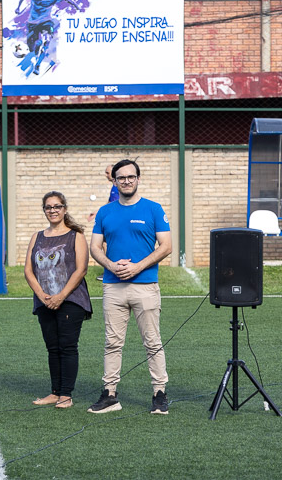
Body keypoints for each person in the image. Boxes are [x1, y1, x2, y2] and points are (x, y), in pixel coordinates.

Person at [88, 159, 172, 415]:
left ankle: (159, 393)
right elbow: (94, 247)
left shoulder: (153, 209)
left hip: (145, 285)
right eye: (121, 177)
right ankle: (110, 394)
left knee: (152, 342)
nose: (126, 181)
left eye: (130, 177)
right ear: (114, 181)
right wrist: (112, 266)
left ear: (138, 178)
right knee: (112, 342)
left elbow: (166, 246)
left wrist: (137, 267)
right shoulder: (105, 212)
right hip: (113, 287)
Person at [24, 191, 92, 409]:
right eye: (48, 207)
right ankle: (55, 392)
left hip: (71, 300)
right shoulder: (37, 236)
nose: (52, 211)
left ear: (65, 209)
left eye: (57, 206)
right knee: (52, 347)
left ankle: (66, 395)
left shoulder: (76, 235)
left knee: (67, 346)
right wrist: (43, 296)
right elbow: (28, 270)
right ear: (44, 210)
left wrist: (60, 296)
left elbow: (81, 269)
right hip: (44, 302)